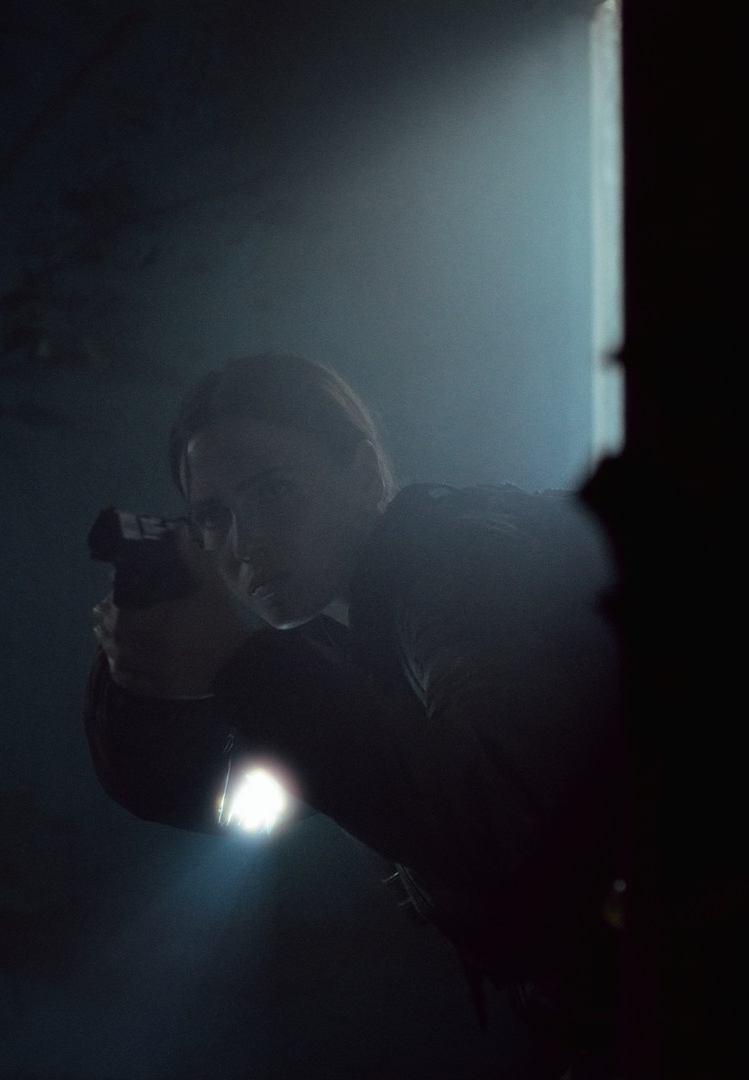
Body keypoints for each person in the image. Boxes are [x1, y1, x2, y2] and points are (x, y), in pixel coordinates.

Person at [84, 353, 623, 1075]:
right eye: (213, 517)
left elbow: (503, 818)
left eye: (275, 491)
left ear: (364, 473)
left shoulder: (460, 571)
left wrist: (239, 665)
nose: (244, 543)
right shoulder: (343, 637)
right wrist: (147, 671)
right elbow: (194, 790)